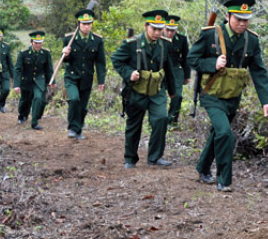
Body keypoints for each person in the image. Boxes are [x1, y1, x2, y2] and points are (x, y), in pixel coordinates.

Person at [187, 0, 268, 192]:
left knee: (218, 132)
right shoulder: (211, 35)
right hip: (212, 94)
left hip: (232, 96)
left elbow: (259, 71)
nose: (243, 23)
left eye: (246, 19)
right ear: (228, 16)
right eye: (238, 19)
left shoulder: (251, 40)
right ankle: (224, 180)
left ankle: (202, 167)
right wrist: (212, 64)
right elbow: (191, 59)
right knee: (225, 133)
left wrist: (266, 101)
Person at [111, 10, 177, 169]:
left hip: (156, 91)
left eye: (160, 29)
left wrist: (172, 90)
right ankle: (130, 159)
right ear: (146, 26)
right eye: (153, 28)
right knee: (134, 124)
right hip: (136, 91)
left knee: (161, 119)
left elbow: (168, 67)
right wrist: (128, 74)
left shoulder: (165, 44)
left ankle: (155, 157)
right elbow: (116, 60)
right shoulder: (132, 44)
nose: (157, 32)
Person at [62, 9, 106, 140]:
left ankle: (78, 129)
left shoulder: (97, 40)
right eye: (84, 24)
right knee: (74, 99)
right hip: (71, 76)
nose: (87, 26)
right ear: (79, 24)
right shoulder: (69, 39)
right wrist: (65, 54)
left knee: (82, 105)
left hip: (87, 78)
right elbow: (65, 61)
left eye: (89, 23)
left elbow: (100, 62)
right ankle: (71, 128)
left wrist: (101, 81)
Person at [13, 31, 54, 130]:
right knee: (25, 100)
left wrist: (52, 82)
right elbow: (18, 70)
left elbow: (49, 69)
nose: (38, 45)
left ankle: (34, 121)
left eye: (40, 43)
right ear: (31, 42)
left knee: (39, 98)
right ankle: (22, 115)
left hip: (40, 80)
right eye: (36, 43)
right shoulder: (23, 53)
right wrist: (17, 85)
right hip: (26, 80)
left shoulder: (46, 53)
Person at [164, 15, 190, 127]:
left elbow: (186, 58)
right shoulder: (157, 37)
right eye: (168, 30)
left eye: (172, 30)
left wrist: (187, 75)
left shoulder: (182, 39)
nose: (170, 33)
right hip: (160, 69)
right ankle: (157, 120)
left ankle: (172, 121)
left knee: (178, 96)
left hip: (176, 69)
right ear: (164, 28)